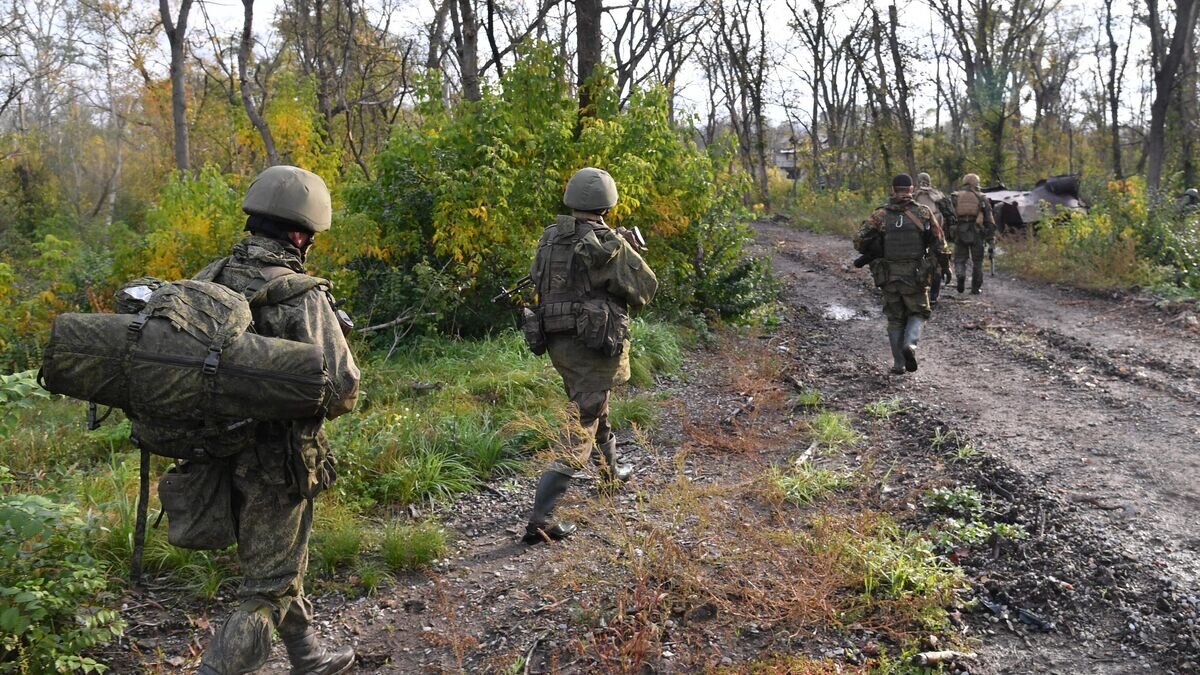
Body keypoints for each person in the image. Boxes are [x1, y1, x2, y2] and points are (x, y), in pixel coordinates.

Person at [193, 166, 360, 675]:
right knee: (268, 589)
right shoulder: (299, 294)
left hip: (210, 450)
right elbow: (344, 388)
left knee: (277, 566)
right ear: (298, 234)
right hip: (274, 463)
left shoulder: (210, 277)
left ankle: (308, 658)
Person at [522, 167, 658, 544]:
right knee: (584, 419)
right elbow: (645, 289)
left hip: (558, 342)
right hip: (592, 342)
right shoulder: (606, 242)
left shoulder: (551, 237)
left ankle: (611, 472)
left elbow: (543, 279)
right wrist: (626, 248)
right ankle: (541, 520)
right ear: (607, 203)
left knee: (596, 403)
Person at [854, 174, 946, 375]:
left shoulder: (880, 215)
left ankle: (898, 364)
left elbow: (859, 242)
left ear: (893, 189)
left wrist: (878, 246)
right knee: (919, 312)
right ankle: (910, 346)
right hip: (916, 275)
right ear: (911, 189)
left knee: (895, 319)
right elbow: (939, 244)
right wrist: (942, 267)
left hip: (888, 275)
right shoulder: (923, 212)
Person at [949, 173, 996, 295]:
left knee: (959, 259)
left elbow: (949, 216)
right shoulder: (982, 198)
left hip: (960, 231)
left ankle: (960, 275)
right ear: (976, 183)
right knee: (977, 262)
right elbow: (989, 219)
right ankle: (975, 288)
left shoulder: (955, 197)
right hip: (977, 232)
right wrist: (991, 237)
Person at [914, 172, 954, 305]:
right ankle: (933, 295)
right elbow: (950, 215)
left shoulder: (913, 195)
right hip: (935, 233)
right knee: (936, 263)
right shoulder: (938, 195)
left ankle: (917, 292)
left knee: (916, 262)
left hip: (916, 235)